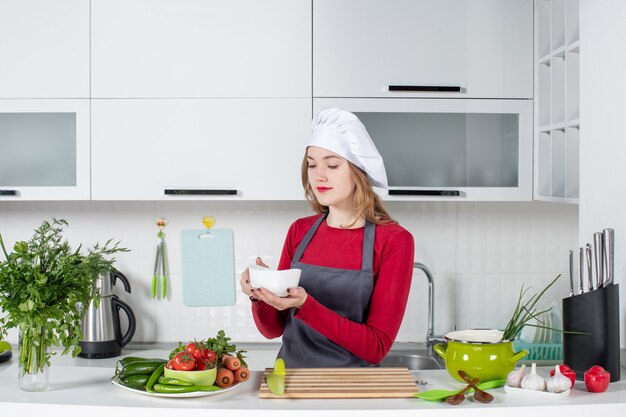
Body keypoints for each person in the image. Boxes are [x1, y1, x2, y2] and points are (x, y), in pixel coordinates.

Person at [239, 108, 415, 367]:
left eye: (332, 164)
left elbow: (376, 347)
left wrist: (307, 305)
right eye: (312, 164)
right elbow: (272, 330)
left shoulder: (393, 241)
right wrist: (259, 292)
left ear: (359, 171)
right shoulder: (299, 231)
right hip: (290, 380)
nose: (318, 175)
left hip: (352, 389)